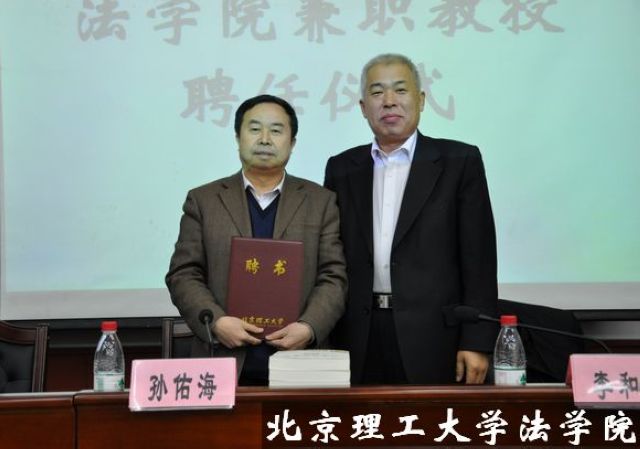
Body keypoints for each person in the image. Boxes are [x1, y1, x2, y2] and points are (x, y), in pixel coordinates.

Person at [324, 54, 498, 385]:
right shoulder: (342, 168)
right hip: (359, 335)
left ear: (420, 100)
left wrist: (477, 340)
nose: (389, 101)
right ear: (363, 107)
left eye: (400, 90)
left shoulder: (459, 161)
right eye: (377, 92)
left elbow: (479, 259)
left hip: (435, 337)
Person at [166, 94, 347, 385]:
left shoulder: (320, 201)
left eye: (276, 130)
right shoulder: (204, 201)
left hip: (300, 362)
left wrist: (309, 327)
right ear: (238, 138)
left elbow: (333, 276)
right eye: (254, 129)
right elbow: (183, 274)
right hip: (222, 362)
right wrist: (217, 322)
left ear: (292, 142)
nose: (265, 139)